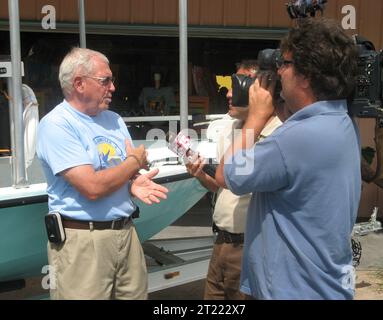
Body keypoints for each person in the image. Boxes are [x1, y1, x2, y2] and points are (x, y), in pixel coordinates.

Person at [215, 18, 361, 299]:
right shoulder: (342, 122)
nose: (278, 72)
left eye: (284, 64)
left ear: (306, 76)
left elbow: (230, 174)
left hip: (292, 289)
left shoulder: (296, 138)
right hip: (323, 285)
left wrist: (256, 118)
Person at [36, 47, 168, 300]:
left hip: (126, 233)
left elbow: (116, 174)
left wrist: (131, 184)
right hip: (84, 242)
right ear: (78, 84)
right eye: (105, 80)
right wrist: (133, 163)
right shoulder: (57, 125)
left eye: (112, 80)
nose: (113, 87)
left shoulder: (114, 120)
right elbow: (92, 187)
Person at [186, 60, 282, 299]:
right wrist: (200, 174)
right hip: (221, 244)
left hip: (252, 248)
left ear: (260, 90)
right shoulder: (230, 130)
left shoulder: (280, 135)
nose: (228, 94)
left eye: (236, 86)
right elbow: (222, 185)